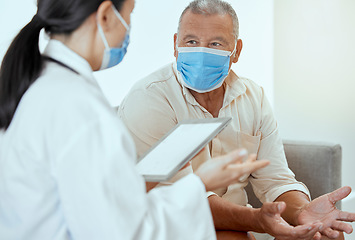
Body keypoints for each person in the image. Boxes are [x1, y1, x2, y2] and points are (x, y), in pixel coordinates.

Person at [0, 0, 273, 239]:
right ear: (106, 14)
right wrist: (199, 183)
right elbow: (121, 232)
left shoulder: (41, 84)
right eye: (129, 14)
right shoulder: (80, 109)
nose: (128, 29)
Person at [118, 0, 355, 239]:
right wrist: (256, 221)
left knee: (324, 236)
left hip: (243, 223)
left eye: (215, 44)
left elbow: (275, 179)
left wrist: (303, 212)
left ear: (236, 50)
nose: (201, 52)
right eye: (191, 41)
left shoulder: (253, 97)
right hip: (175, 226)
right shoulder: (149, 99)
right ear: (175, 45)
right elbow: (182, 198)